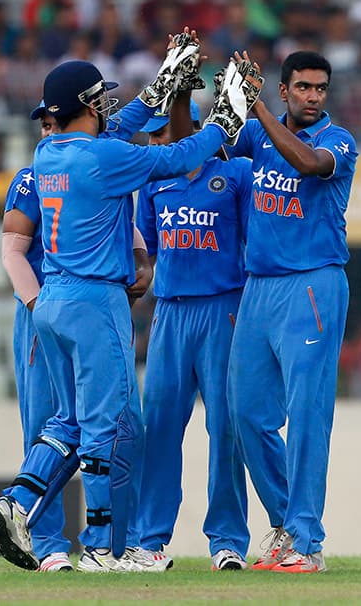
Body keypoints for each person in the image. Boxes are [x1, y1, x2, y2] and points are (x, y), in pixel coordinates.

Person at [0, 53, 254, 573]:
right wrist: (224, 116)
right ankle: (104, 549)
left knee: (68, 421)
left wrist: (157, 90)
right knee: (103, 426)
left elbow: (120, 128)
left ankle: (15, 501)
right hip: (94, 301)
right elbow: (180, 156)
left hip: (53, 301)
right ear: (86, 105)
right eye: (100, 99)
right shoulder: (103, 160)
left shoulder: (48, 154)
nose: (110, 105)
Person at [0, 90, 160, 572]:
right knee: (57, 420)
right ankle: (50, 545)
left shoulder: (87, 163)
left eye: (53, 120)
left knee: (109, 422)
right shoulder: (36, 175)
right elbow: (12, 252)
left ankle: (113, 538)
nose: (48, 130)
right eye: (43, 123)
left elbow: (124, 231)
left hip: (78, 306)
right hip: (54, 310)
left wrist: (139, 263)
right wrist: (36, 303)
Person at [224, 50, 357, 573]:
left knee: (306, 416)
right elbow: (204, 146)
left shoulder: (337, 140)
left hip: (313, 285)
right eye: (302, 87)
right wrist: (207, 92)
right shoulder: (257, 133)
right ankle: (286, 523)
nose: (312, 96)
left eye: (320, 88)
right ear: (285, 90)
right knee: (245, 413)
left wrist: (254, 110)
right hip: (259, 288)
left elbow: (307, 163)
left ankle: (307, 542)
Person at [133, 96, 253, 571]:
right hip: (171, 314)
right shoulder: (154, 182)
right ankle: (149, 540)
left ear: (192, 132)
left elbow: (254, 240)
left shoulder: (234, 176)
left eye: (164, 135)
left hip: (224, 310)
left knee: (225, 427)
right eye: (152, 136)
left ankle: (227, 541)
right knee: (159, 427)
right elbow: (146, 248)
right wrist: (137, 276)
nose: (157, 143)